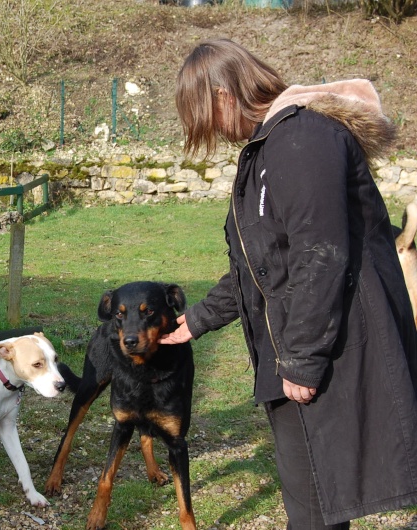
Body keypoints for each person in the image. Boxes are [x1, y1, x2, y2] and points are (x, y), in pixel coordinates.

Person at [163, 38, 417, 529]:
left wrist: (301, 360)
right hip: (302, 347)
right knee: (312, 503)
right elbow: (259, 264)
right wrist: (196, 320)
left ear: (223, 94)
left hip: (333, 349)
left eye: (208, 116)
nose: (217, 132)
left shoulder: (302, 138)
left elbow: (320, 255)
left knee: (316, 507)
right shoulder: (270, 147)